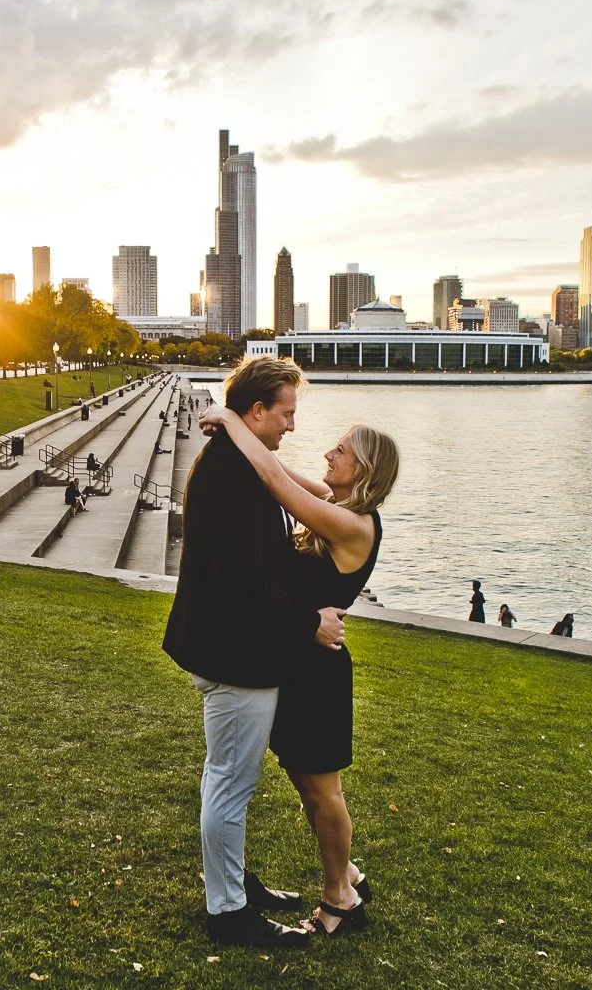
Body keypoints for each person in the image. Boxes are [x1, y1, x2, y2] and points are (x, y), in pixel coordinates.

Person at [198, 396, 399, 940]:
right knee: (305, 781)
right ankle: (347, 871)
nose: (328, 454)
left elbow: (273, 479)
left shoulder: (354, 525)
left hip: (319, 671)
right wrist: (243, 434)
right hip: (297, 657)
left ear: (365, 469)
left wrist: (233, 421)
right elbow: (281, 469)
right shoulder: (337, 504)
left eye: (341, 450)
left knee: (321, 789)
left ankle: (341, 898)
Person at [164, 356, 346, 948]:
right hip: (234, 654)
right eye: (286, 413)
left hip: (226, 644)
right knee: (230, 783)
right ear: (257, 410)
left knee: (228, 778)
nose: (292, 425)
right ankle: (228, 912)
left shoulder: (239, 461)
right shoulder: (233, 473)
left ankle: (233, 879)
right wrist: (309, 622)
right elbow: (242, 581)